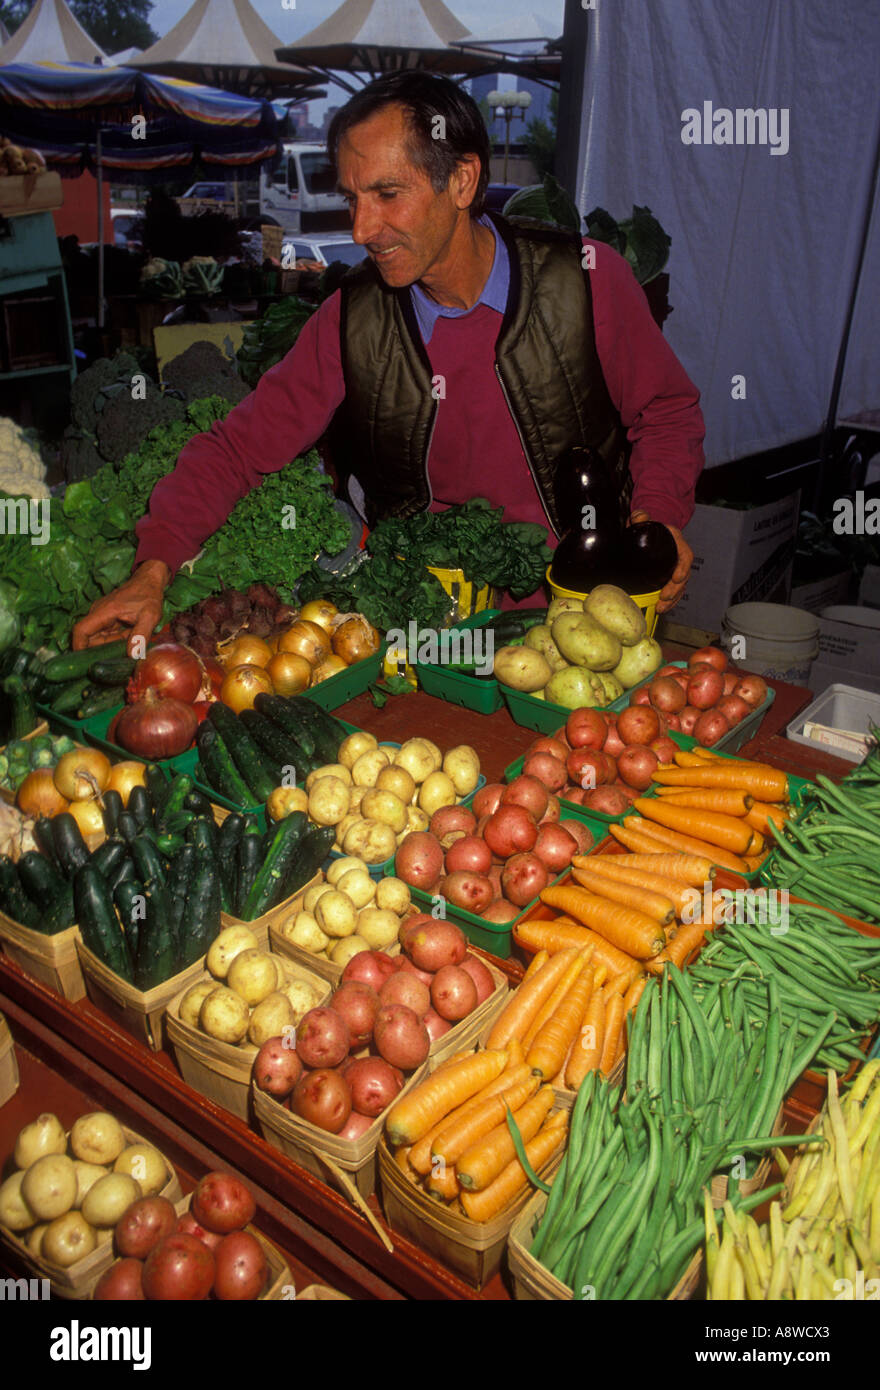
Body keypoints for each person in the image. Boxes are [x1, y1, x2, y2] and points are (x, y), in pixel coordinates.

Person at [73, 71, 705, 654]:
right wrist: (153, 569)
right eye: (352, 198)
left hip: (593, 616)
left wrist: (657, 517)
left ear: (461, 180)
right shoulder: (352, 324)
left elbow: (667, 410)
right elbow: (237, 449)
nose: (361, 228)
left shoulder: (586, 281)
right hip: (433, 636)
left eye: (387, 194)